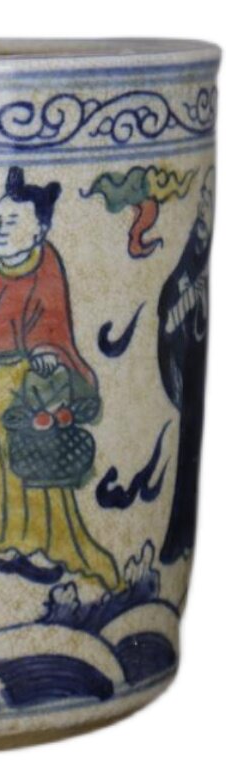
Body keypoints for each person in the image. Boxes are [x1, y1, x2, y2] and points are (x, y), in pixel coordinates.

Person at [0, 167, 121, 591]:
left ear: (38, 231)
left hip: (30, 383)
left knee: (36, 458)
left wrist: (47, 351)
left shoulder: (47, 265)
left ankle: (48, 535)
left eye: (11, 222)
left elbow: (53, 324)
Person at [157, 167, 213, 564]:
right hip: (186, 369)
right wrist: (188, 296)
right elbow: (169, 315)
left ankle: (177, 543)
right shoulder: (184, 262)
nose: (205, 209)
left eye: (208, 200)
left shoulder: (197, 253)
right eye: (203, 201)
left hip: (193, 376)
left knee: (186, 459)